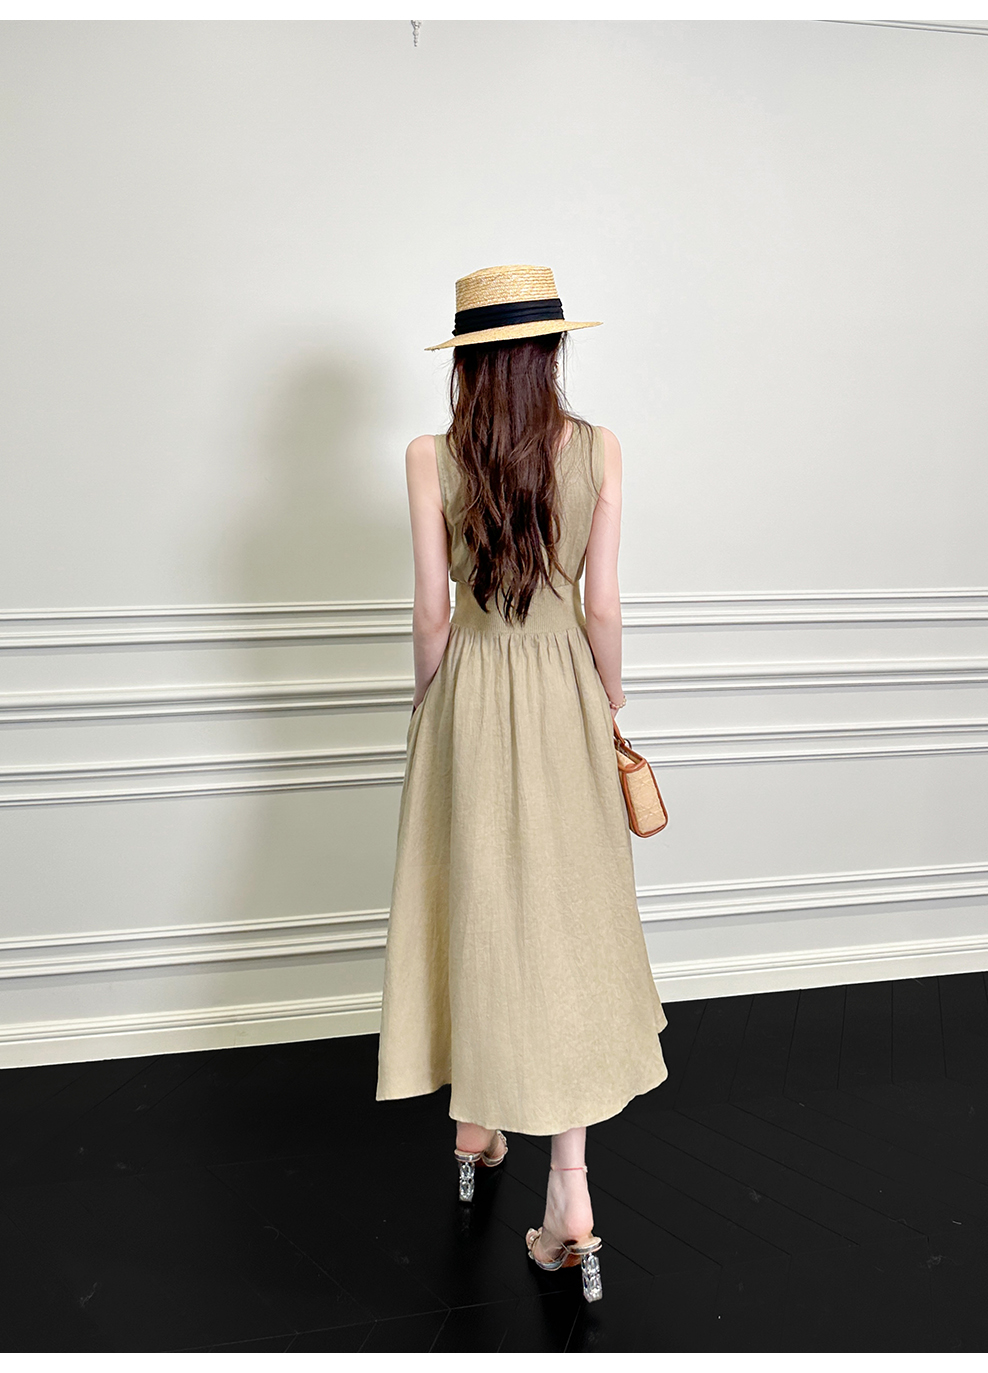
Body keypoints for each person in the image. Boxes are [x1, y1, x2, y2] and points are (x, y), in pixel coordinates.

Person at [375, 264, 668, 1303]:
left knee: (476, 898)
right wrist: (608, 700)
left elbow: (431, 611)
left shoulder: (430, 456)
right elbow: (603, 606)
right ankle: (569, 1193)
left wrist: (430, 705)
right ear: (550, 352)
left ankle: (473, 1118)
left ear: (466, 361)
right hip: (564, 694)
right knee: (564, 921)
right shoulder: (600, 448)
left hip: (468, 692)